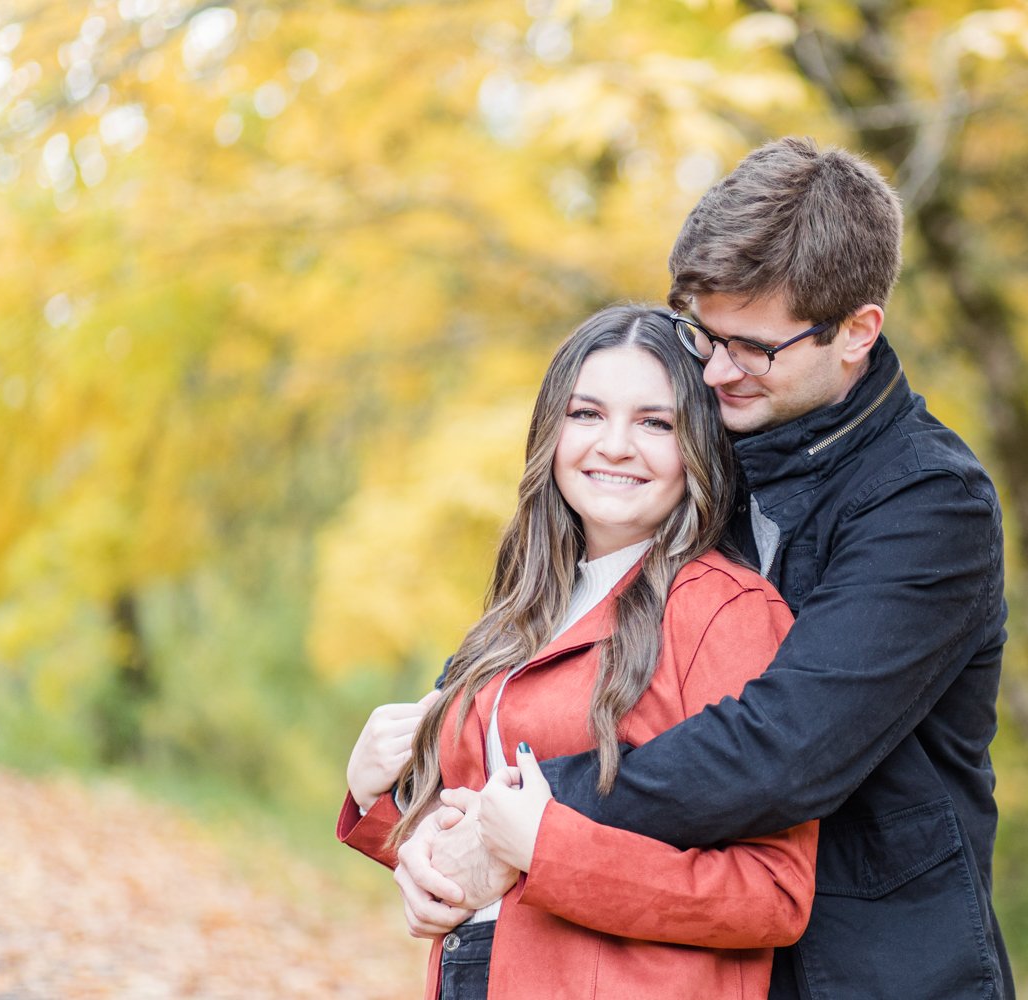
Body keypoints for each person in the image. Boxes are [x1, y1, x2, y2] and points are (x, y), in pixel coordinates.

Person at [402, 136, 1013, 999]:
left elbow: (781, 748)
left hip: (872, 966)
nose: (716, 372)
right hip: (684, 957)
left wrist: (516, 809)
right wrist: (436, 801)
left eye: (752, 347)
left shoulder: (929, 507)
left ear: (856, 333)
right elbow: (554, 644)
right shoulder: (709, 453)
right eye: (703, 334)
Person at [337, 306, 818, 1000]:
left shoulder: (725, 612)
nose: (615, 445)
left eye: (656, 423)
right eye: (586, 414)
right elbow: (476, 840)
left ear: (700, 445)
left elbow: (771, 892)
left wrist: (545, 852)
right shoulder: (523, 610)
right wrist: (385, 810)